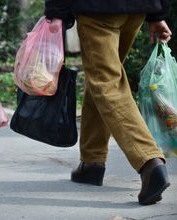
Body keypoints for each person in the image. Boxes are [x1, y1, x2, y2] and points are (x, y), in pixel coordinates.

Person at [44, 0, 172, 205]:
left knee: (106, 83)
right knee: (101, 78)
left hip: (98, 10)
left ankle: (149, 161)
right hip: (137, 8)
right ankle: (92, 162)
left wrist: (56, 12)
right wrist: (158, 13)